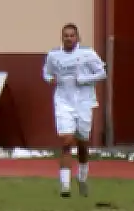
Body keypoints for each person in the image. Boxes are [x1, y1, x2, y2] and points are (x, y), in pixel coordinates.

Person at [42, 23, 106, 197]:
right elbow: (46, 72)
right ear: (62, 38)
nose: (69, 38)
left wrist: (84, 79)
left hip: (84, 102)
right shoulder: (54, 55)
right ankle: (65, 185)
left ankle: (82, 177)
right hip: (63, 102)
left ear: (77, 37)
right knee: (66, 140)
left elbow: (102, 73)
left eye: (72, 35)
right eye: (66, 36)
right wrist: (50, 79)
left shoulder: (87, 53)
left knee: (82, 143)